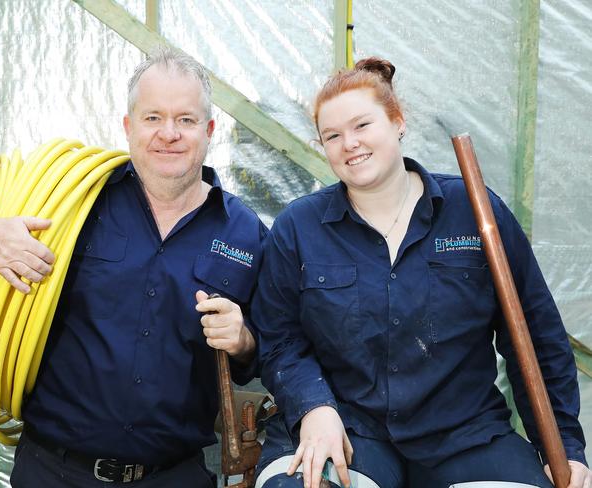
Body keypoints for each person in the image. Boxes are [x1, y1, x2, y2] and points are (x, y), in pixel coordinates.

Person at [251, 57, 590, 488]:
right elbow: (278, 339)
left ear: (398, 121)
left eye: (362, 125)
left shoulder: (476, 211)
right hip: (348, 427)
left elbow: (537, 337)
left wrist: (562, 445)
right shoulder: (298, 228)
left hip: (465, 436)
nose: (349, 143)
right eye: (332, 135)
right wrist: (315, 407)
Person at [0, 45, 266, 487]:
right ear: (129, 127)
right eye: (153, 118)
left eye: (185, 120)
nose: (168, 133)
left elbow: (269, 346)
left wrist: (244, 339)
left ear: (208, 130)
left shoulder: (245, 231)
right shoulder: (72, 201)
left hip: (173, 475)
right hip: (53, 471)